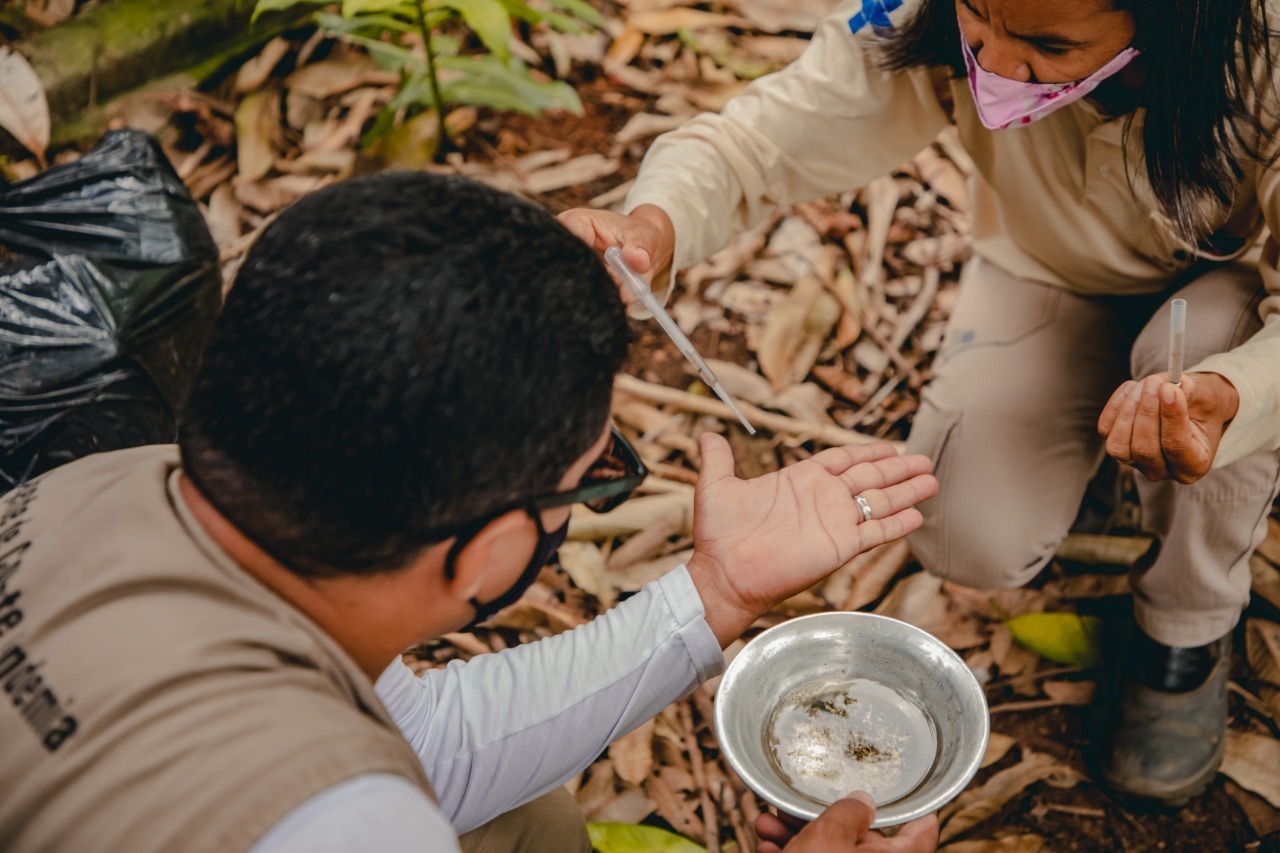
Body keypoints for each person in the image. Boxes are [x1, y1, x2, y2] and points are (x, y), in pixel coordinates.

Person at [0, 172, 940, 852]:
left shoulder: (119, 480)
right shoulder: (344, 822)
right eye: (590, 476)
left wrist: (714, 590)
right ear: (490, 548)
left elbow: (431, 748)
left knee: (532, 825)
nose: (595, 490)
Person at [560, 0, 1280, 806]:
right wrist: (654, 224)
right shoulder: (927, 17)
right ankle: (1106, 462)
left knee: (1208, 379)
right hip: (1047, 274)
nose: (995, 65)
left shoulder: (1265, 53)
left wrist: (1235, 393)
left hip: (1229, 302)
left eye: (1048, 44)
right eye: (979, 18)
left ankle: (1185, 632)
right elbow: (760, 140)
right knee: (966, 531)